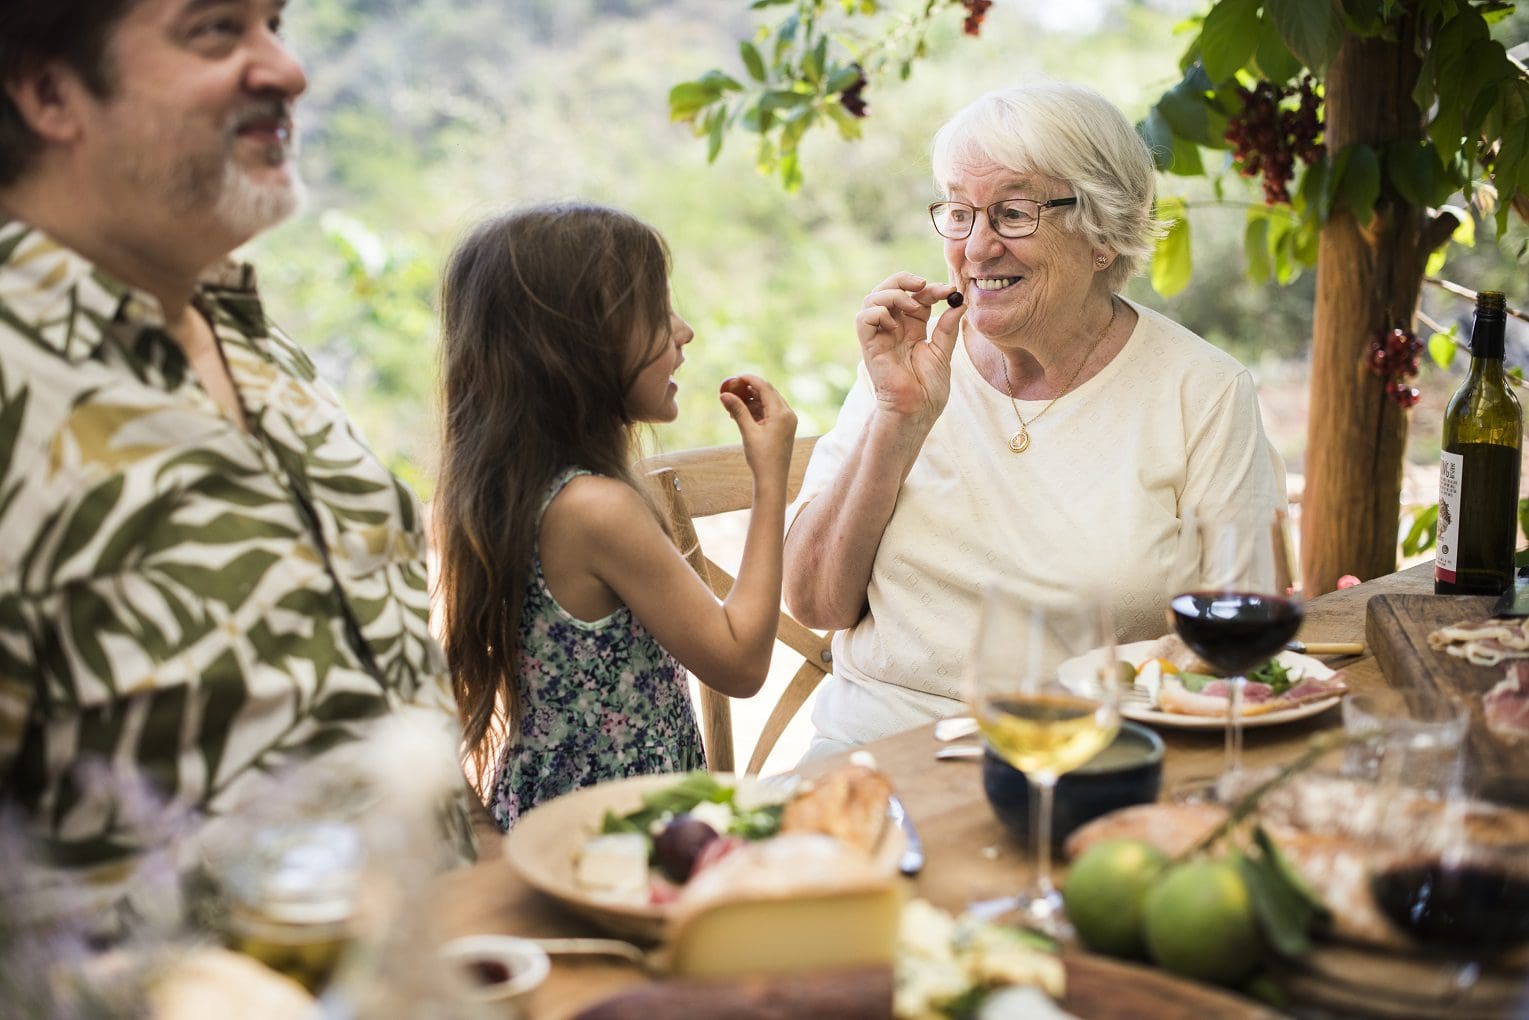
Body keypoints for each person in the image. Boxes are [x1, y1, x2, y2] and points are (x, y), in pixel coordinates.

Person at [0, 0, 464, 926]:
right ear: (53, 93)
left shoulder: (251, 343)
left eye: (276, 23)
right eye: (217, 29)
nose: (286, 70)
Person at [784, 81, 1286, 757]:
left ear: (1102, 232)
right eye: (959, 213)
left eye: (1012, 214)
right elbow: (816, 604)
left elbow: (1238, 636)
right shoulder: (913, 364)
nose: (977, 247)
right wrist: (896, 420)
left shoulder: (1202, 389)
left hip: (1091, 749)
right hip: (879, 748)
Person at [433, 203, 798, 831]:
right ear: (577, 344)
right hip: (614, 828)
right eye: (657, 313)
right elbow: (740, 663)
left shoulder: (524, 488)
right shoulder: (597, 510)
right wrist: (771, 482)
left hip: (560, 814)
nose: (682, 332)